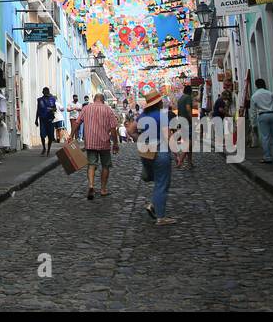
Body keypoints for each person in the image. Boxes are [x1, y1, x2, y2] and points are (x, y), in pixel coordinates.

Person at [128, 88, 176, 226]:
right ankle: (160, 217)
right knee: (162, 183)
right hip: (160, 152)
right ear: (158, 103)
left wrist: (142, 140)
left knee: (158, 181)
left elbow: (130, 131)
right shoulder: (162, 116)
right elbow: (168, 136)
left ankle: (154, 205)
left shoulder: (142, 116)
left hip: (146, 153)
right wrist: (177, 153)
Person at [77, 93, 118, 200]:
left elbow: (77, 123)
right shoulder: (108, 110)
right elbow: (113, 128)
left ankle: (91, 186)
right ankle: (103, 189)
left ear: (94, 99)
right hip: (104, 143)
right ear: (103, 100)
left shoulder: (86, 108)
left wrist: (71, 136)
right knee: (105, 165)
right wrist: (116, 144)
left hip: (90, 142)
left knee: (91, 164)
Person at [251, 78, 273, 163]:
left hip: (262, 116)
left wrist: (253, 124)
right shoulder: (270, 93)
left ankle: (267, 157)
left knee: (265, 137)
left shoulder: (254, 96)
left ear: (256, 85)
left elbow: (253, 111)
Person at [174, 86, 195, 168]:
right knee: (189, 142)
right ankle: (181, 160)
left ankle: (190, 162)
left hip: (181, 121)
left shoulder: (180, 99)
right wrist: (191, 118)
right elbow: (188, 108)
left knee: (187, 141)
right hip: (187, 122)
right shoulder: (188, 97)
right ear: (190, 92)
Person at [35, 87, 57, 155]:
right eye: (44, 91)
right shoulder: (40, 100)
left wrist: (52, 109)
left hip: (50, 119)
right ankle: (44, 147)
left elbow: (55, 108)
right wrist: (36, 119)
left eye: (47, 91)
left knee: (50, 136)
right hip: (42, 120)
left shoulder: (52, 99)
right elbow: (38, 110)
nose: (46, 93)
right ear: (43, 92)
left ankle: (48, 150)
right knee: (42, 134)